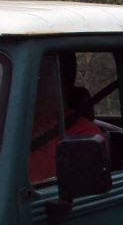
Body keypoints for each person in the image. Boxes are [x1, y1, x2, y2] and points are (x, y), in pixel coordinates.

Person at [29, 54, 106, 184]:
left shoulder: (84, 133)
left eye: (45, 77)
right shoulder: (14, 121)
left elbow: (81, 188)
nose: (40, 84)